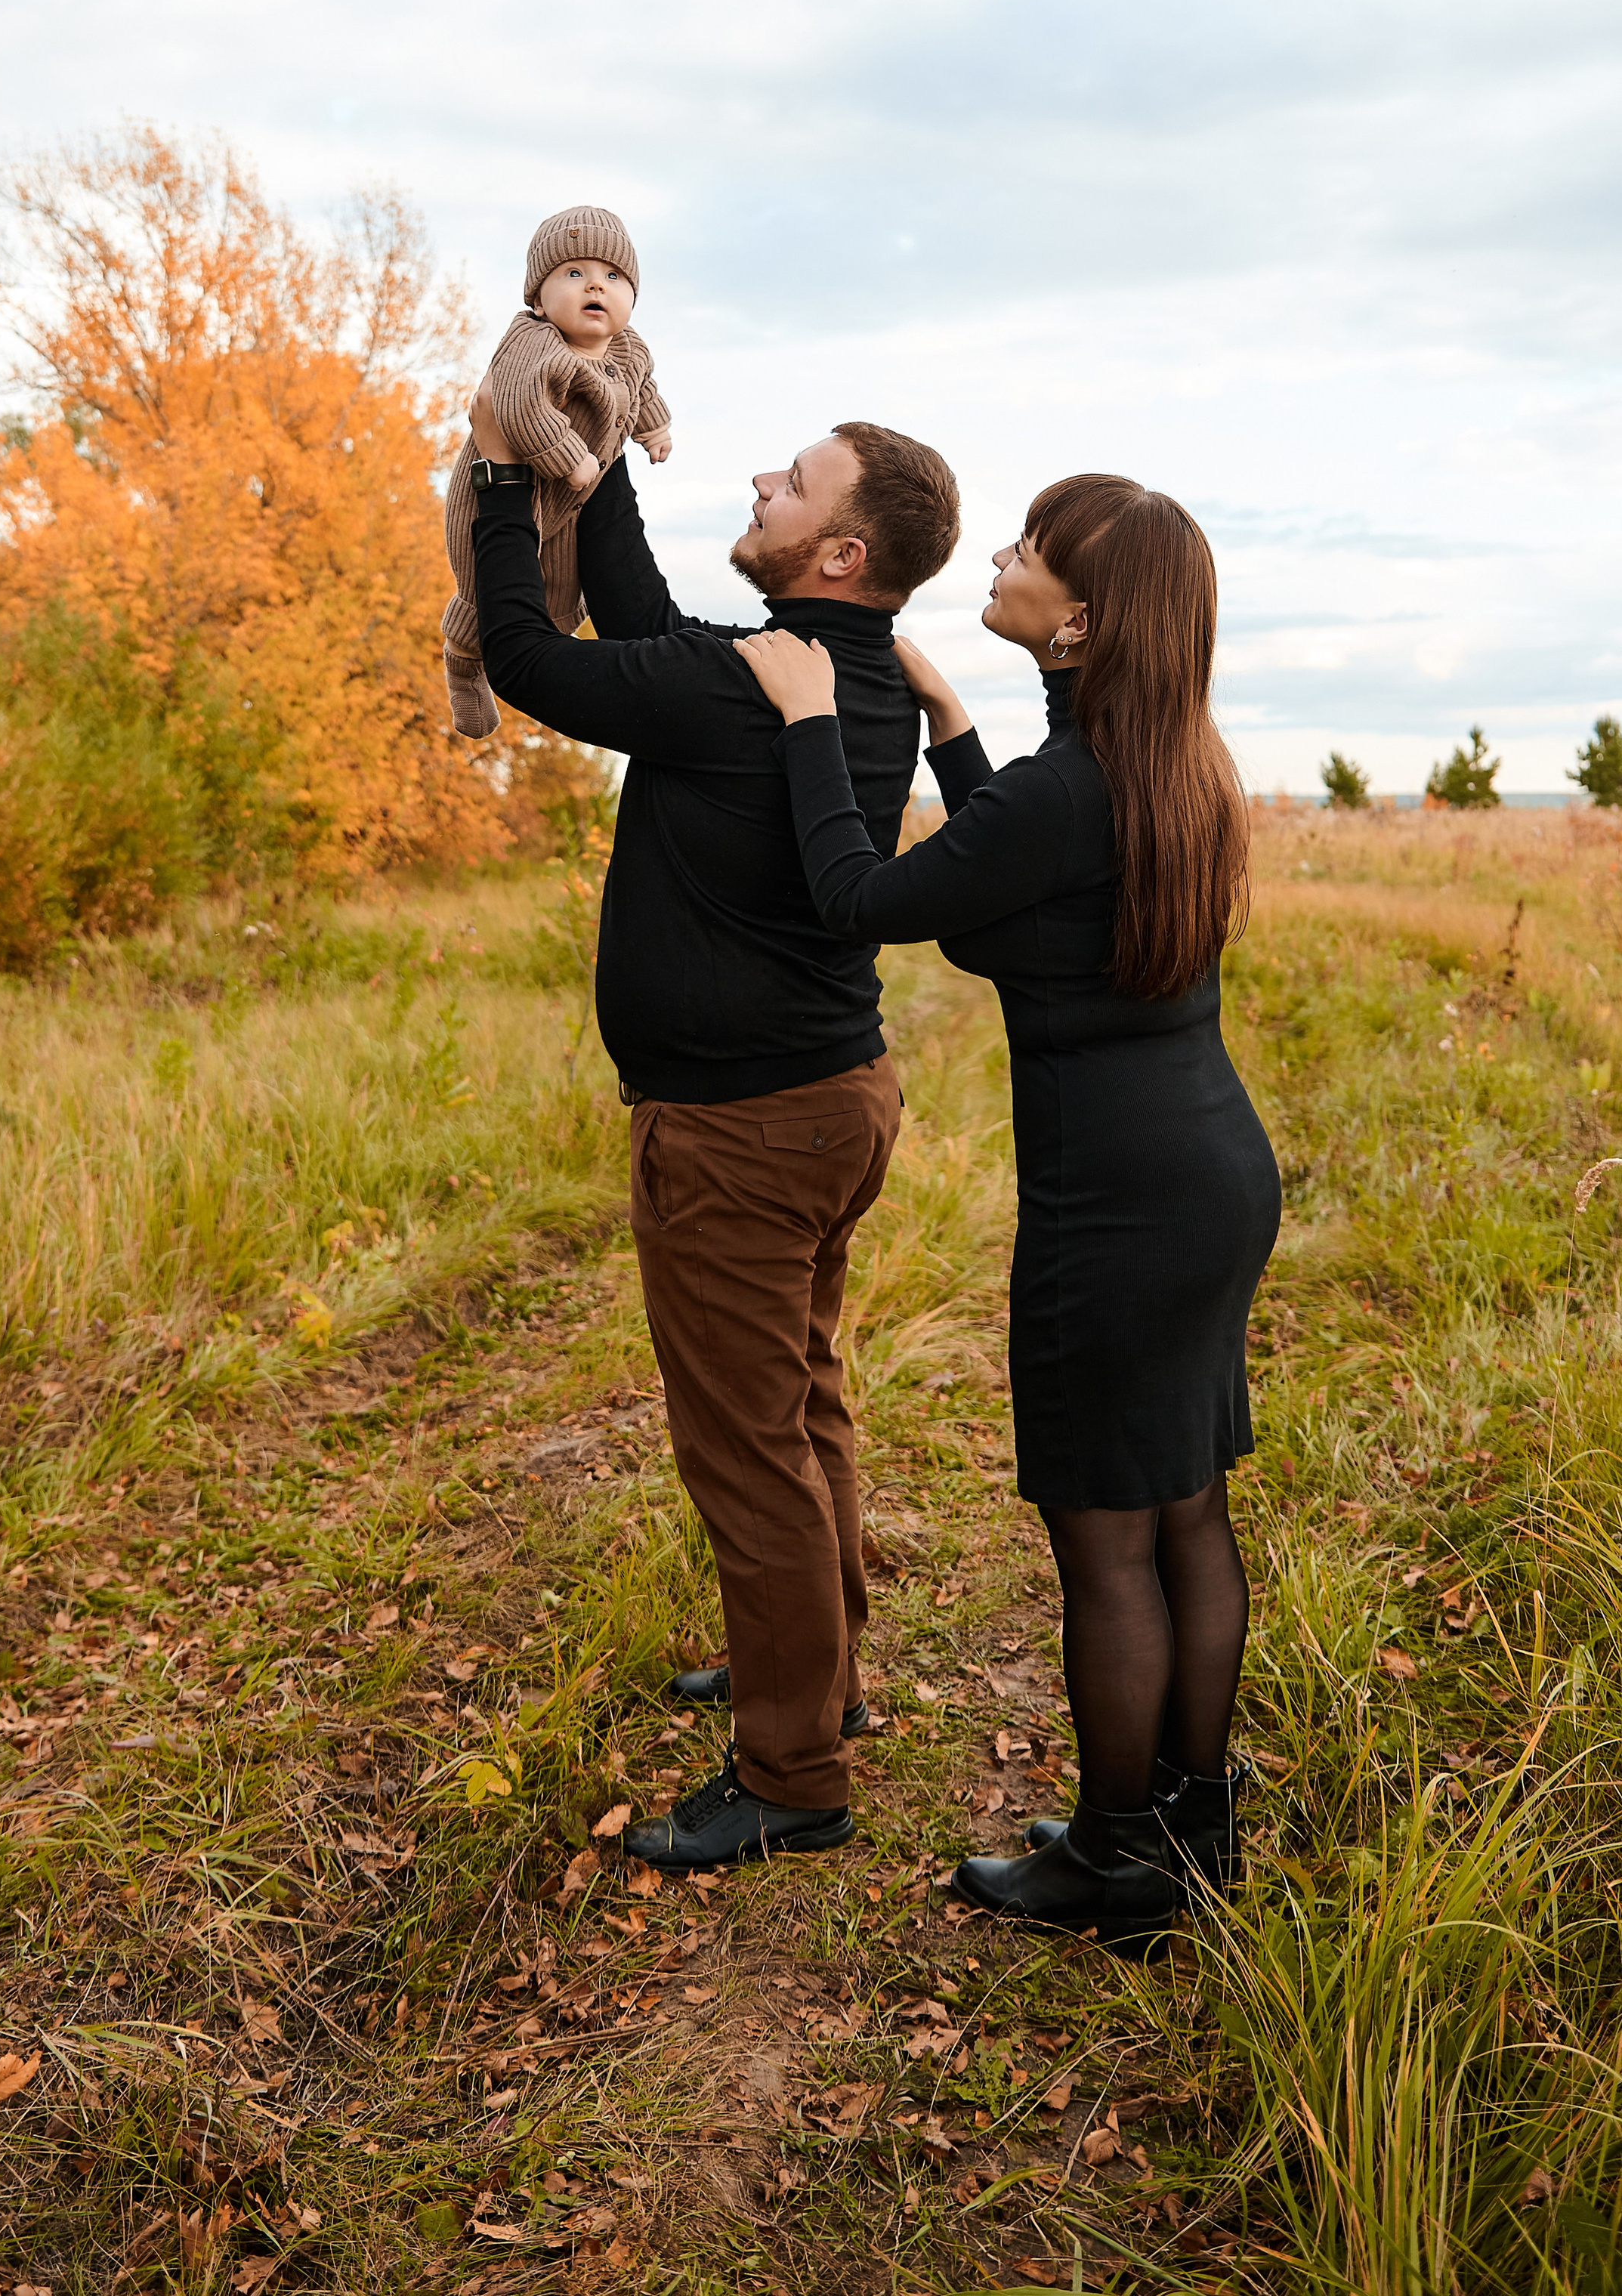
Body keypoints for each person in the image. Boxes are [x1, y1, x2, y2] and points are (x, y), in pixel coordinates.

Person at [735, 474, 1281, 1955]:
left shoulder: (1068, 786)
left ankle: (1113, 1852)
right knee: (1182, 1510)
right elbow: (1008, 883)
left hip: (1111, 1207)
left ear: (1083, 619)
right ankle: (1191, 1817)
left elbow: (860, 895)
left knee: (1106, 1539)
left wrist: (805, 724)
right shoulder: (1163, 766)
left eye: (1028, 552)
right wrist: (952, 720)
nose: (999, 557)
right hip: (1209, 1173)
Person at [465, 388, 960, 1869]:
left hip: (740, 1133)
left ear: (840, 550)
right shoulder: (836, 672)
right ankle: (817, 1680)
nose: (760, 479)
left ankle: (792, 1772)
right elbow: (638, 616)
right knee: (801, 1408)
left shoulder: (752, 682)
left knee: (748, 1452)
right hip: (825, 1102)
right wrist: (594, 450)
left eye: (792, 483)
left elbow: (529, 650)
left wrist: (504, 476)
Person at [440, 206, 672, 737]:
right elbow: (517, 409)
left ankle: (542, 670)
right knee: (488, 585)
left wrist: (654, 431)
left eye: (613, 277)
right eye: (575, 274)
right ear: (538, 301)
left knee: (558, 592)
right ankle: (463, 663)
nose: (596, 285)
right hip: (507, 485)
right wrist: (569, 457)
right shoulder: (533, 345)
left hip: (576, 502)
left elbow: (645, 390)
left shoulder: (630, 349)